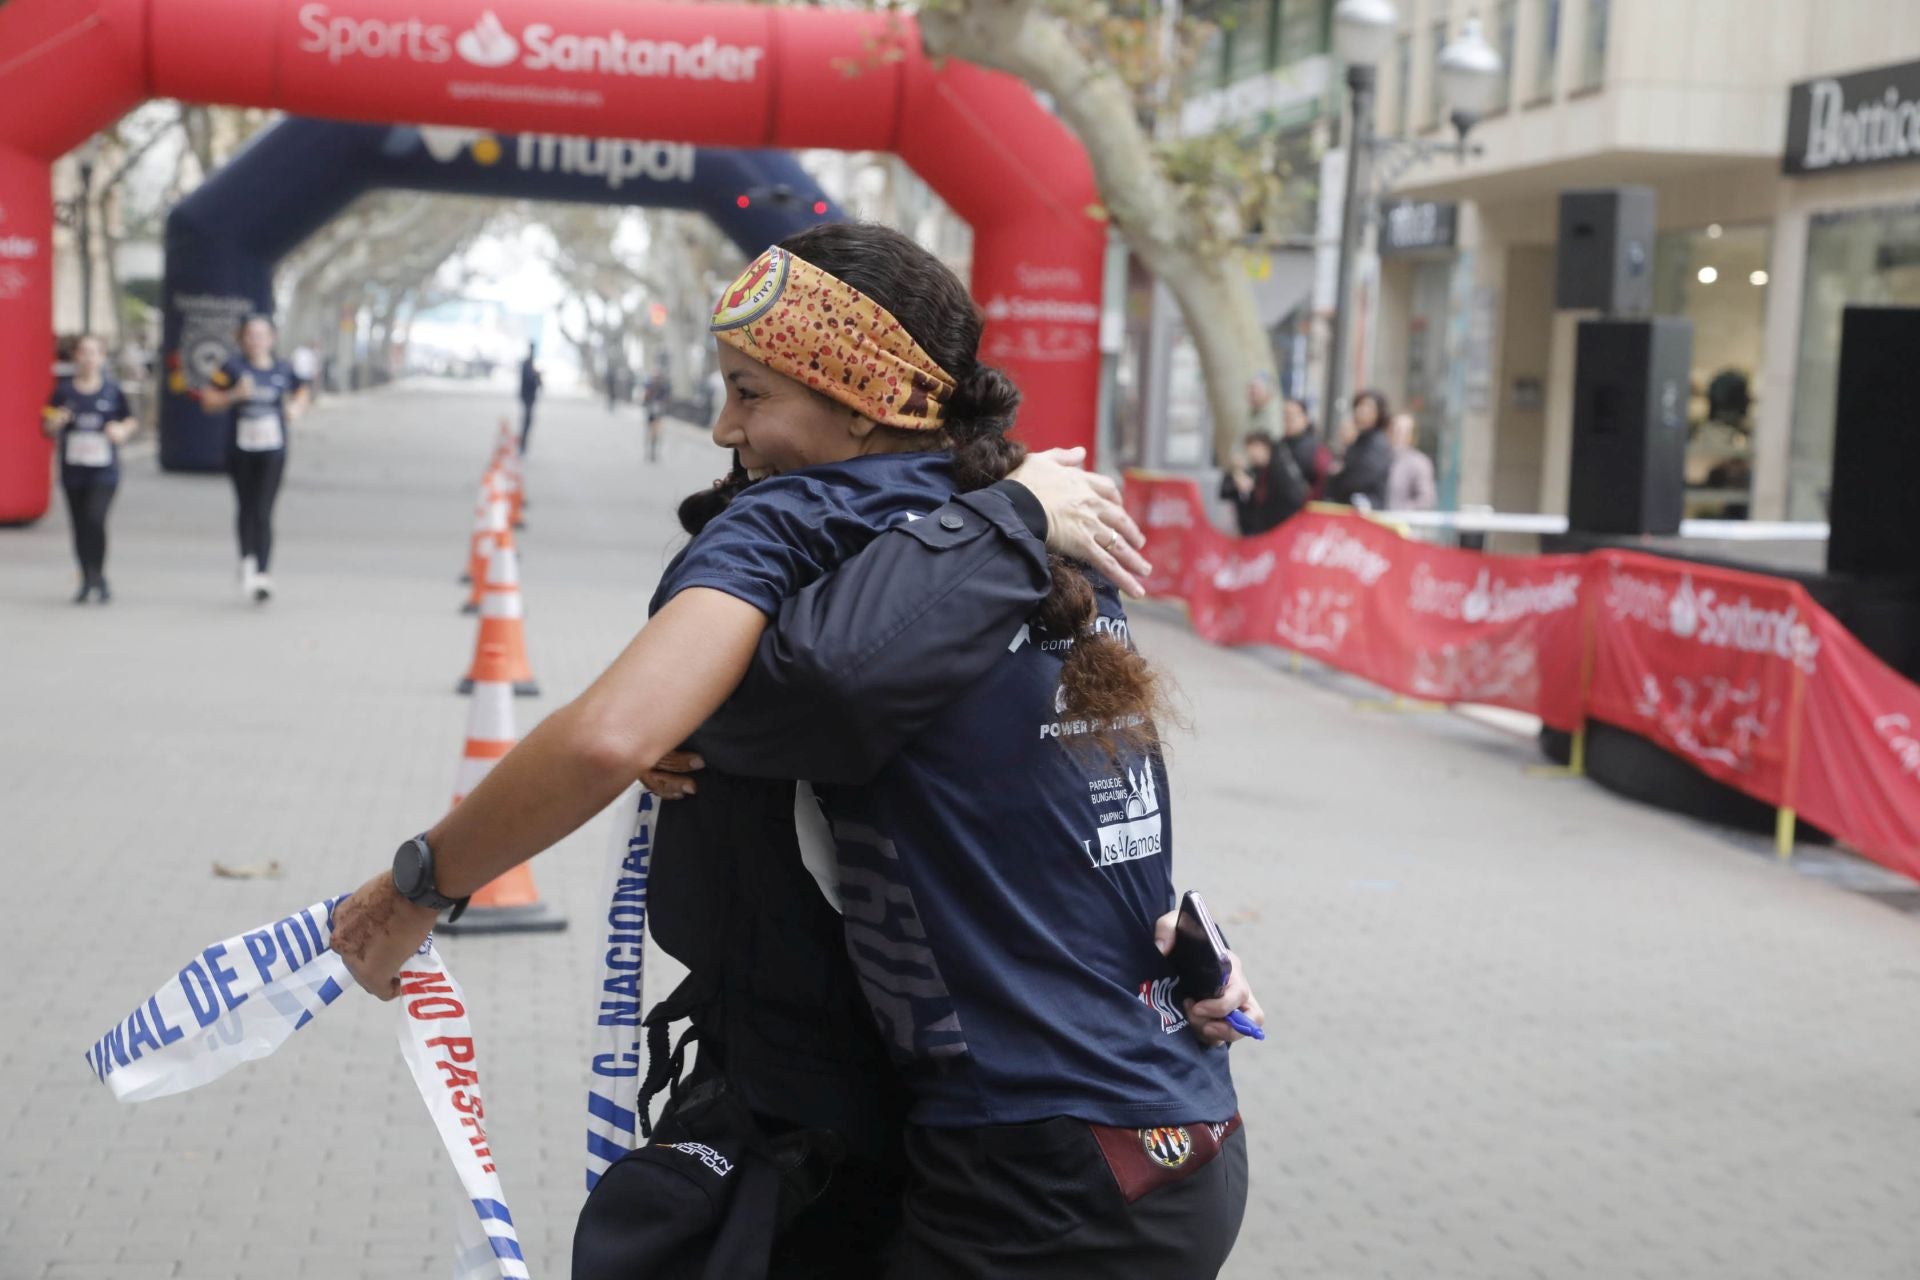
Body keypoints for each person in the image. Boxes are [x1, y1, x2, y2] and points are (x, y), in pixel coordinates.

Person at [333, 223, 1257, 1278]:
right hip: (1179, 1128)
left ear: (860, 395)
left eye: (751, 392)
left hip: (1032, 1171)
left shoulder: (810, 524)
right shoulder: (1039, 530)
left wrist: (417, 886)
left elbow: (606, 733)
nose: (724, 425)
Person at [199, 314, 309, 603]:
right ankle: (246, 559)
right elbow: (208, 400)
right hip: (241, 449)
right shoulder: (232, 367)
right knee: (246, 506)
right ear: (242, 338)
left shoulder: (284, 369)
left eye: (262, 335)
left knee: (264, 509)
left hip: (273, 449)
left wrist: (296, 407)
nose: (256, 341)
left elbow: (302, 391)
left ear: (272, 339)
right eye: (251, 335)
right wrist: (234, 395)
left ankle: (262, 572)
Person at [42, 334, 137, 603]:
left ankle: (98, 573)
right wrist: (56, 422)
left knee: (95, 519)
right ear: (76, 357)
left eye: (93, 352)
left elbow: (129, 420)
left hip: (104, 470)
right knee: (80, 524)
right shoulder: (63, 392)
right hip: (74, 470)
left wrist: (121, 430)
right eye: (83, 352)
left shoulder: (111, 390)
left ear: (102, 358)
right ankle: (87, 577)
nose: (88, 358)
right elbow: (46, 424)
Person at [1327, 388, 1394, 510]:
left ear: (1379, 413)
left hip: (1366, 508)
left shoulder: (1377, 443)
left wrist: (1337, 478)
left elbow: (1359, 478)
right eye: (1360, 406)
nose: (1362, 411)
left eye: (1368, 407)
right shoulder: (1358, 439)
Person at [1217, 431, 1290, 536]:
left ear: (1265, 448)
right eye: (1249, 449)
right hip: (1248, 530)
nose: (1252, 453)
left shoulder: (1277, 471)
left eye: (1255, 448)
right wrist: (1235, 474)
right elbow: (1223, 492)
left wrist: (1253, 488)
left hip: (1272, 530)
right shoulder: (1250, 471)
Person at [1385, 411, 1437, 511]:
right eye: (1394, 429)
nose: (1397, 434)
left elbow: (1426, 499)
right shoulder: (1382, 458)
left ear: (1412, 436)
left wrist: (1402, 510)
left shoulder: (1420, 462)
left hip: (1404, 522)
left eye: (1403, 431)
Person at [1282, 396, 1332, 499]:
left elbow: (1324, 481)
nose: (1289, 419)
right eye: (1286, 414)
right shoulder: (1279, 446)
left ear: (1305, 417)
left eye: (1293, 414)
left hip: (1304, 508)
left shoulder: (1318, 449)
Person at [517, 342, 543, 454]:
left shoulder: (530, 363)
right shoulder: (527, 363)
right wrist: (537, 376)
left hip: (529, 396)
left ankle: (522, 444)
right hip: (527, 396)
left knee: (528, 421)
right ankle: (521, 444)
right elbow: (530, 379)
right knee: (527, 421)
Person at [643, 366, 670, 463]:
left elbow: (666, 399)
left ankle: (653, 452)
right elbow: (645, 398)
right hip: (651, 411)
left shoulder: (663, 387)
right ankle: (649, 451)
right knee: (650, 432)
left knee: (656, 432)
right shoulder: (649, 385)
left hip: (659, 412)